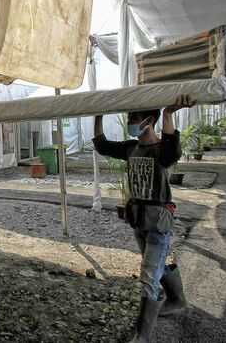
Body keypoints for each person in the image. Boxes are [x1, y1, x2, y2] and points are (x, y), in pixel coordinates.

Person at [92, 96, 195, 343]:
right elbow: (102, 145)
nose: (130, 123)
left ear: (149, 121)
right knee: (155, 265)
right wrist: (97, 114)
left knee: (149, 275)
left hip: (158, 221)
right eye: (129, 119)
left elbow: (172, 144)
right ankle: (177, 299)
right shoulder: (131, 148)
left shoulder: (162, 151)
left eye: (134, 119)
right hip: (139, 220)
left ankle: (143, 337)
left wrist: (169, 113)